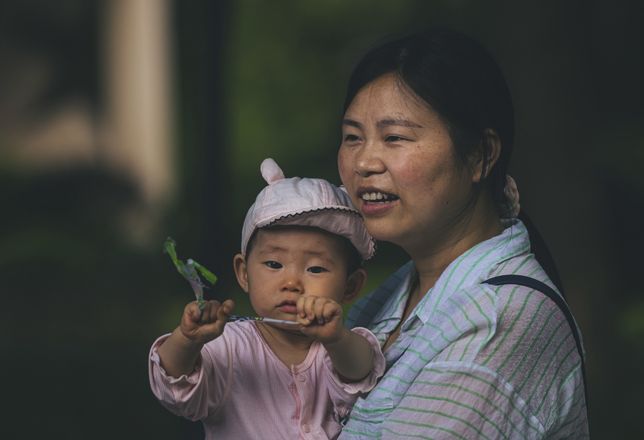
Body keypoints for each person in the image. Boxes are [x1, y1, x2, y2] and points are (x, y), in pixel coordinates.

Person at [336, 29, 589, 438]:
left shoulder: (498, 320)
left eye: (394, 137)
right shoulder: (386, 300)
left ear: (480, 155)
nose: (364, 161)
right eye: (352, 137)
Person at [149, 158, 385, 439]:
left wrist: (336, 339)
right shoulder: (228, 347)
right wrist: (187, 341)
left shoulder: (338, 346)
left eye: (316, 268)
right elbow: (174, 388)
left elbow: (361, 372)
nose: (291, 283)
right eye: (274, 264)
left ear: (350, 286)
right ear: (244, 273)